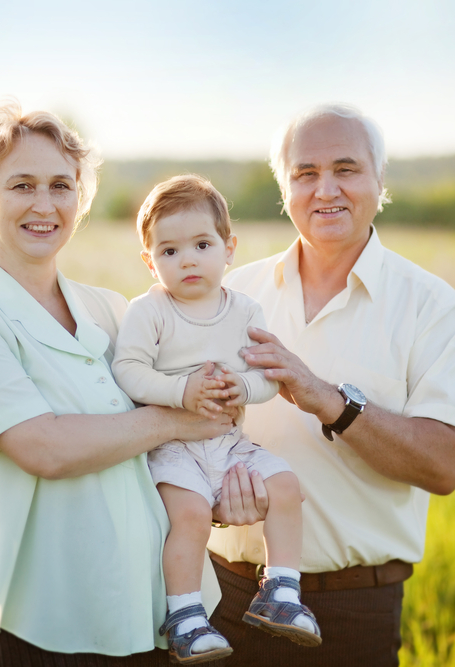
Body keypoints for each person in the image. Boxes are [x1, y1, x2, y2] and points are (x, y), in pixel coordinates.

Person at [0, 101, 237, 667]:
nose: (44, 205)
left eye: (61, 186)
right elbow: (45, 448)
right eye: (22, 185)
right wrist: (181, 417)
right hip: (50, 625)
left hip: (159, 612)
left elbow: (174, 444)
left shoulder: (112, 310)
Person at [206, 104, 455, 666]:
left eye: (346, 169)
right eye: (305, 173)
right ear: (284, 189)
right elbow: (190, 426)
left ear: (380, 182)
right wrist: (209, 499)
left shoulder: (430, 306)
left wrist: (330, 401)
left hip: (351, 611)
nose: (325, 188)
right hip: (222, 596)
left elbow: (446, 464)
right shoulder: (231, 293)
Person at [112, 175, 320, 663]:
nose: (186, 259)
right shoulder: (151, 311)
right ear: (149, 261)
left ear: (228, 249)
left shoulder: (243, 309)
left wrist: (243, 387)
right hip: (174, 446)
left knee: (288, 487)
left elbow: (268, 376)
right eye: (168, 251)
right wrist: (181, 390)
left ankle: (282, 592)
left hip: (229, 442)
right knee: (189, 518)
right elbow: (128, 371)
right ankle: (185, 616)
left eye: (201, 244)